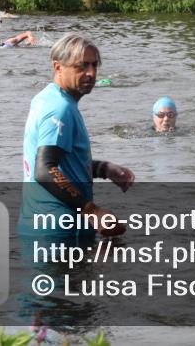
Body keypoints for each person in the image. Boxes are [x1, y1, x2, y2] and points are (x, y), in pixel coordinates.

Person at [18, 33, 134, 240]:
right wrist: (92, 211)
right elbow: (45, 170)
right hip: (58, 231)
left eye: (94, 65)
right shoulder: (59, 109)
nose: (90, 73)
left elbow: (62, 161)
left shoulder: (47, 98)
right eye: (81, 67)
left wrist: (103, 169)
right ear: (58, 67)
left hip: (42, 225)